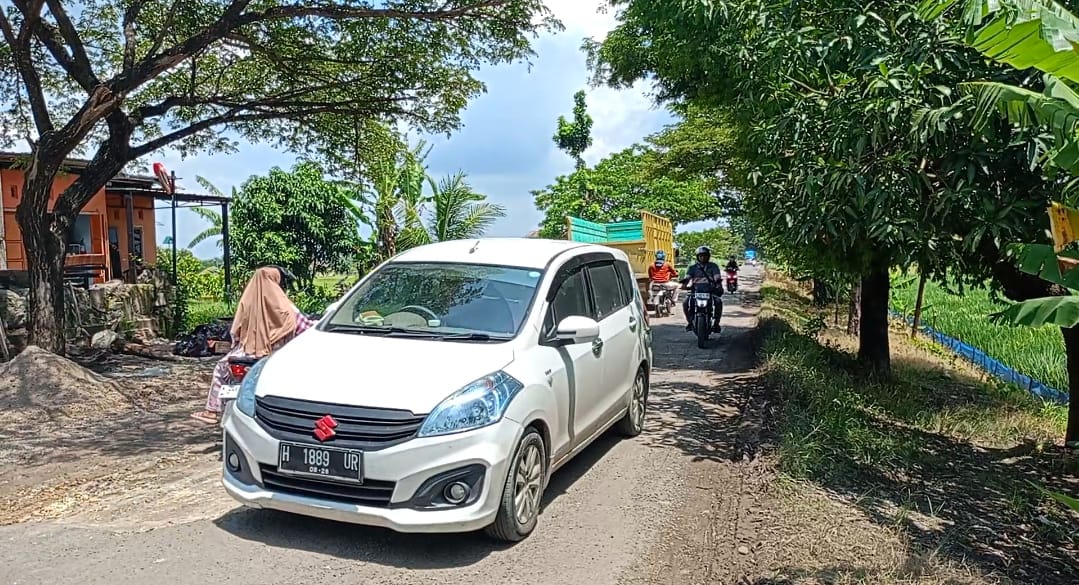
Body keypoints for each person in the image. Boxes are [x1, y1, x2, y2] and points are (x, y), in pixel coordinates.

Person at [190, 266, 315, 424]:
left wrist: (238, 346)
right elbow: (306, 329)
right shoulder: (287, 308)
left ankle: (211, 411)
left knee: (220, 369)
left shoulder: (247, 306)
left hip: (245, 354)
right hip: (276, 357)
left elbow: (235, 332)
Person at [681, 246, 724, 332]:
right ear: (697, 257)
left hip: (710, 291)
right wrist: (684, 284)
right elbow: (687, 277)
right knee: (685, 302)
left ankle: (716, 323)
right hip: (696, 291)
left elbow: (717, 277)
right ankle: (690, 322)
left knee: (718, 302)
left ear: (708, 256)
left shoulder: (713, 266)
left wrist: (718, 284)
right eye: (700, 256)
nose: (703, 257)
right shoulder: (692, 268)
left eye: (705, 255)